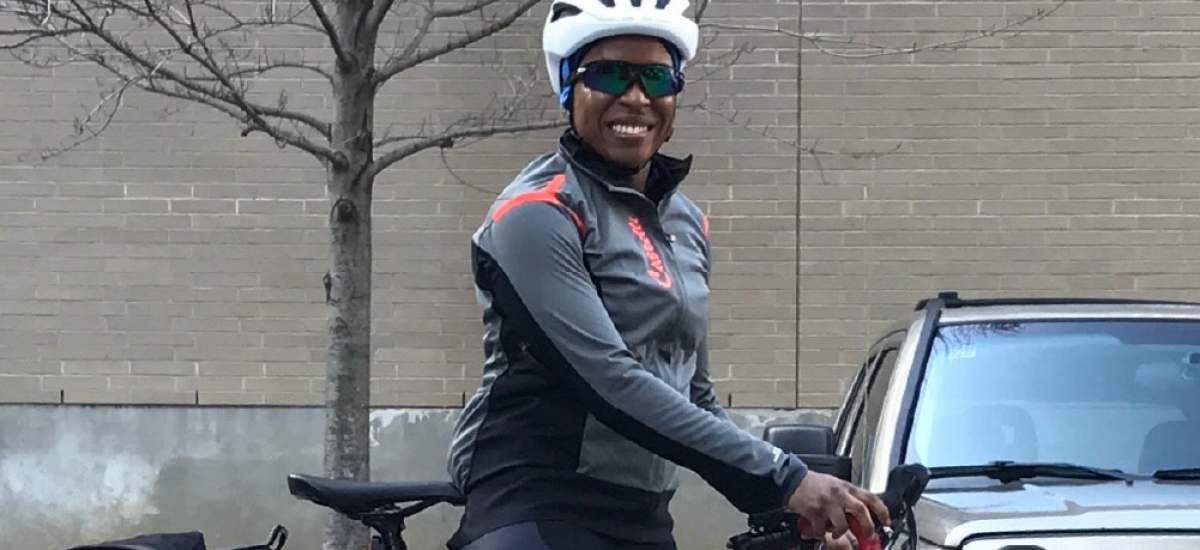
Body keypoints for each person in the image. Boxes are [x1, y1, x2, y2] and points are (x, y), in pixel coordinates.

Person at [444, 1, 888, 549]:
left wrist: (797, 507)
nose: (635, 97)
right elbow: (609, 380)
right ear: (567, 87)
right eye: (608, 74)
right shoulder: (537, 213)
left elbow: (695, 396)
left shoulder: (685, 221)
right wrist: (784, 478)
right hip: (536, 502)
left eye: (655, 77)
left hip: (645, 516)